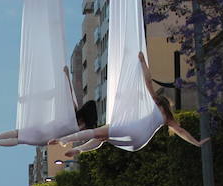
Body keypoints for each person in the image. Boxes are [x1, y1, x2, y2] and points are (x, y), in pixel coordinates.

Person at [55, 52, 208, 156]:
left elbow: (148, 81)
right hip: (140, 141)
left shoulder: (154, 102)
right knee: (103, 135)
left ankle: (69, 142)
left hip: (132, 132)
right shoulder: (167, 118)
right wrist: (196, 142)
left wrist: (142, 62)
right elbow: (181, 131)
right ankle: (77, 147)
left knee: (99, 134)